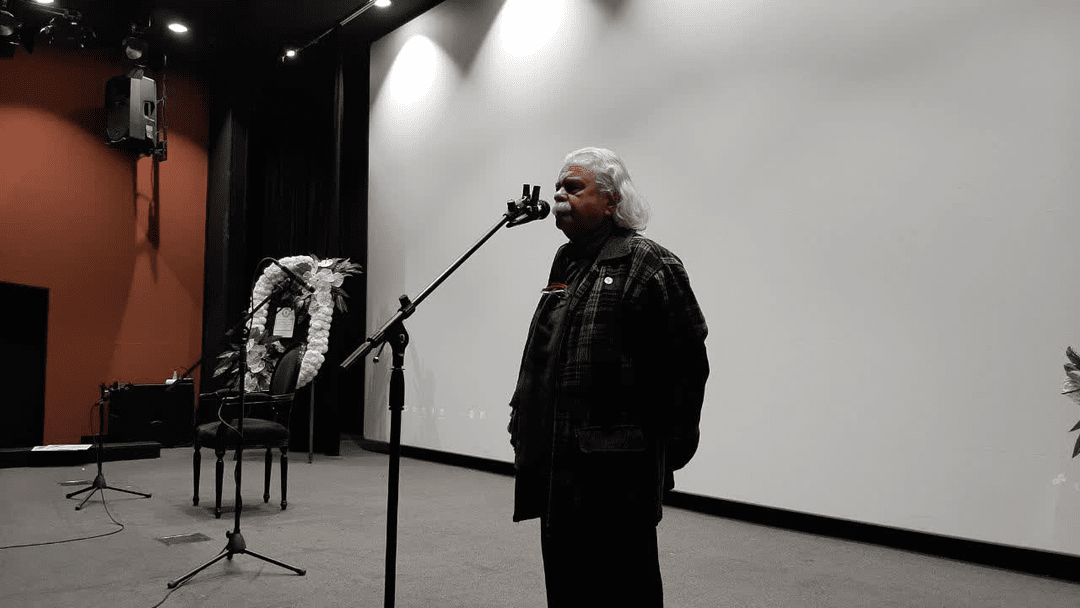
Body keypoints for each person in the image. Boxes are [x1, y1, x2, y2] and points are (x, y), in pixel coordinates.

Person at [507, 147, 709, 607]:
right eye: (558, 186)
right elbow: (547, 351)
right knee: (567, 586)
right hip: (558, 461)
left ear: (612, 200)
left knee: (624, 588)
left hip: (618, 472)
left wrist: (667, 450)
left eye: (573, 187)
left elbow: (687, 364)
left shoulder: (649, 262)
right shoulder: (566, 259)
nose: (559, 194)